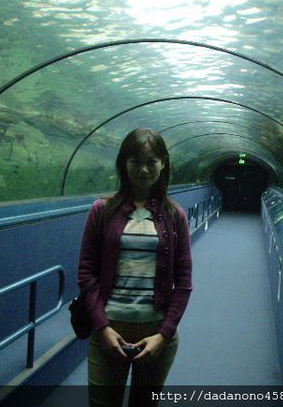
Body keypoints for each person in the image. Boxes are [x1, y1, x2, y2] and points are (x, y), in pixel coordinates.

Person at [77, 127, 193, 406]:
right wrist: (102, 328)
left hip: (156, 332)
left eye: (151, 161)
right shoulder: (101, 211)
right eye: (135, 161)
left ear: (163, 163)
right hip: (110, 330)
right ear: (123, 163)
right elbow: (86, 272)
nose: (143, 169)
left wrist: (164, 335)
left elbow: (184, 281)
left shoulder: (174, 216)